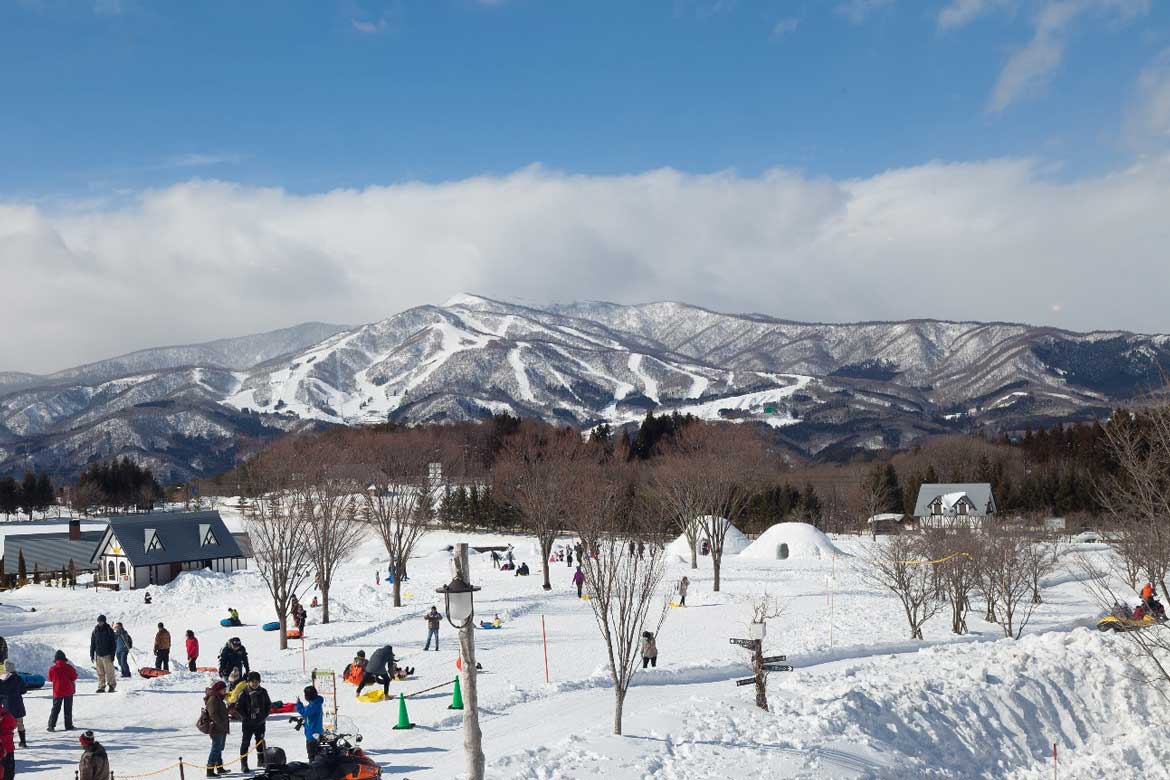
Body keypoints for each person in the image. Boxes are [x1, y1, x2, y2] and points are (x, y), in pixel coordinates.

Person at [236, 672, 271, 773]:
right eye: (253, 682)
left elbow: (268, 705)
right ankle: (244, 764)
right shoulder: (244, 693)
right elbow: (238, 708)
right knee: (245, 743)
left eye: (257, 682)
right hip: (248, 723)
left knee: (260, 741)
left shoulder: (263, 692)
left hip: (260, 722)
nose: (255, 684)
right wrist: (245, 717)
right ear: (248, 682)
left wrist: (264, 715)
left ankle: (261, 760)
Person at [204, 679, 230, 778]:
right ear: (218, 690)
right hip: (216, 728)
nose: (225, 691)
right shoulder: (213, 699)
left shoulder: (219, 698)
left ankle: (219, 768)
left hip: (221, 727)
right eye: (223, 689)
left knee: (219, 748)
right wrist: (221, 724)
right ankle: (210, 771)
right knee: (215, 749)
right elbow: (213, 714)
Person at [47, 650, 77, 732]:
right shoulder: (69, 667)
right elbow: (74, 677)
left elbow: (50, 679)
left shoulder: (52, 669)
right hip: (68, 691)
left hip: (57, 691)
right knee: (68, 709)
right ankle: (68, 725)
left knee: (55, 709)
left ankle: (51, 726)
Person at [0, 662, 28, 748]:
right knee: (20, 723)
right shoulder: (18, 678)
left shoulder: (1, 680)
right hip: (17, 704)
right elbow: (24, 690)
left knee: (7, 726)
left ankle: (9, 743)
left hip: (6, 706)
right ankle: (23, 742)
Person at [89, 615, 117, 693]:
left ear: (104, 621)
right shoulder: (95, 630)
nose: (100, 623)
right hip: (98, 655)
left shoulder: (109, 630)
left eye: (101, 621)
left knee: (109, 672)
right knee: (100, 672)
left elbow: (113, 644)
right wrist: (91, 654)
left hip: (107, 654)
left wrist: (112, 654)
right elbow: (93, 643)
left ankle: (111, 686)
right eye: (99, 621)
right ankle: (101, 686)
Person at [295, 686, 323, 760]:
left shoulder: (313, 705)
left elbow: (304, 712)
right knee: (315, 754)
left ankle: (313, 768)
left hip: (313, 734)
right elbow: (310, 716)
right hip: (315, 731)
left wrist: (298, 704)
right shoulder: (315, 703)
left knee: (312, 755)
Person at [0, 702, 15, 780]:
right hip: (7, 748)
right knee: (8, 773)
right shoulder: (7, 715)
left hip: (5, 748)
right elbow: (13, 725)